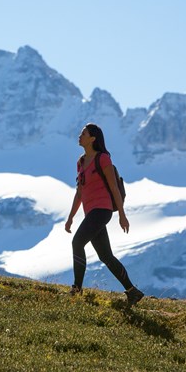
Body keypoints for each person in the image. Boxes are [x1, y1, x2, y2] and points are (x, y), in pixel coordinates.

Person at [64, 123, 144, 306]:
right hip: (90, 212)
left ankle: (76, 289)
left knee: (77, 242)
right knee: (106, 256)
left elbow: (115, 188)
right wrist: (70, 218)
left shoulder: (103, 159)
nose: (79, 135)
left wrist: (122, 215)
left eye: (83, 133)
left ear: (93, 138)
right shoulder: (81, 162)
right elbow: (79, 192)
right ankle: (133, 291)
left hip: (102, 210)